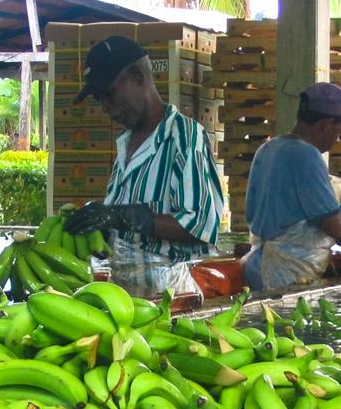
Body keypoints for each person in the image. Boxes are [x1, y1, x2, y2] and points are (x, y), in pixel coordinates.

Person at [62, 36, 223, 296]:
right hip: (128, 299)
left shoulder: (185, 138)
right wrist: (100, 225)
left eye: (109, 93)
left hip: (176, 299)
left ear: (138, 77)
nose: (105, 106)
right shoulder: (125, 145)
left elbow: (200, 224)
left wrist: (121, 216)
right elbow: (127, 235)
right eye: (99, 99)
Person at [240, 83, 341, 290]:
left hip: (257, 266)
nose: (337, 140)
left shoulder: (268, 148)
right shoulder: (306, 155)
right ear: (325, 125)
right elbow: (336, 225)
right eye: (338, 132)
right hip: (287, 272)